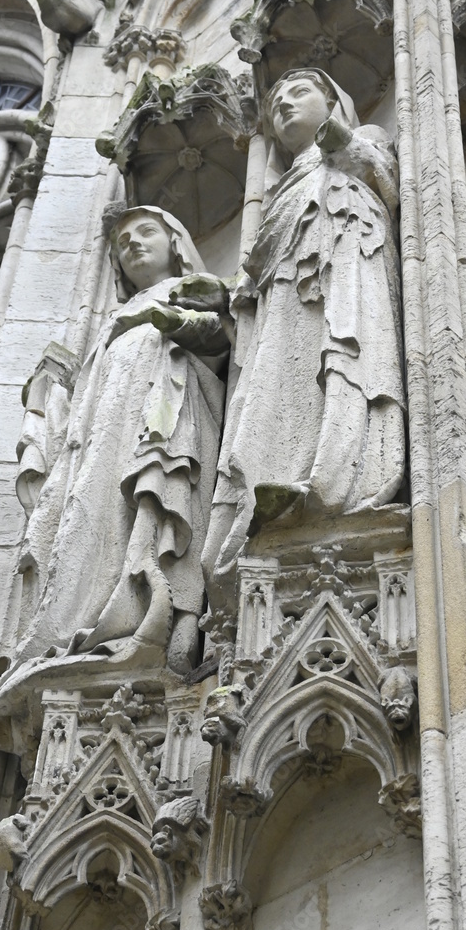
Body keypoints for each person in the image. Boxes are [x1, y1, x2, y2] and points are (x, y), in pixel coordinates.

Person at [175, 69, 405, 611]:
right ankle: (278, 482)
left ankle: (339, 481)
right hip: (283, 306)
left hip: (347, 272)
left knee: (344, 360)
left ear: (332, 99)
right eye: (274, 100)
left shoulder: (364, 139)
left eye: (297, 92)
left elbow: (388, 186)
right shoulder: (282, 187)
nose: (282, 105)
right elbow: (257, 271)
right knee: (278, 387)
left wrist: (345, 146)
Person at [14, 206, 227, 673]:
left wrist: (175, 321)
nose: (132, 243)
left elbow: (221, 341)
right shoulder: (111, 318)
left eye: (145, 231)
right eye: (121, 241)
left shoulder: (191, 290)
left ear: (175, 242)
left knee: (163, 496)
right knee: (96, 515)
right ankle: (95, 621)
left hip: (167, 413)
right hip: (106, 433)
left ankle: (172, 618)